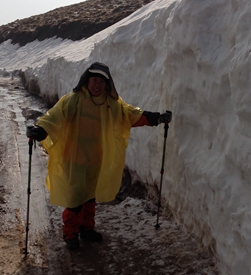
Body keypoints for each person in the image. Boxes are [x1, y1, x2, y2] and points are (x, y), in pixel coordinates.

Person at [27, 62, 172, 250]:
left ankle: (87, 229)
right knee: (75, 199)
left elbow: (131, 115)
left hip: (96, 159)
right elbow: (54, 118)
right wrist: (40, 130)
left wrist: (157, 118)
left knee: (89, 197)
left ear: (107, 84)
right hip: (74, 158)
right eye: (94, 80)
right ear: (87, 81)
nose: (97, 85)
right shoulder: (73, 100)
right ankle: (70, 234)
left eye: (102, 82)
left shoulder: (111, 104)